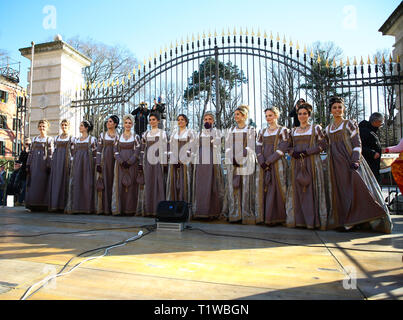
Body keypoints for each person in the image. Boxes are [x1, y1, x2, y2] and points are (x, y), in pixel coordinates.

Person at [324, 97, 392, 233]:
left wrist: (355, 160)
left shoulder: (350, 123)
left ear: (343, 109)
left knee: (355, 190)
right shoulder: (328, 128)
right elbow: (326, 145)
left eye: (339, 107)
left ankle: (357, 220)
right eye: (334, 107)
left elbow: (357, 143)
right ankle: (344, 220)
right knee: (340, 192)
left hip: (350, 162)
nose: (337, 110)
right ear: (331, 110)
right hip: (335, 164)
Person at [286, 103, 328, 230]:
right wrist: (293, 153)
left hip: (312, 163)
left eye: (305, 113)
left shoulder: (316, 129)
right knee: (297, 190)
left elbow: (323, 145)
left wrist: (307, 152)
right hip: (296, 163)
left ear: (309, 115)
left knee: (312, 190)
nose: (302, 116)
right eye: (300, 114)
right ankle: (299, 220)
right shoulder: (293, 131)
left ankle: (312, 221)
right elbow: (287, 146)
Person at [224, 105, 262, 225]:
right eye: (235, 115)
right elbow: (227, 146)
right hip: (233, 161)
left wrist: (239, 157)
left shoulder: (250, 129)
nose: (236, 117)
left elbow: (250, 146)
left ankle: (246, 213)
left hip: (246, 160)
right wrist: (231, 157)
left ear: (245, 116)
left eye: (238, 114)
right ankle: (235, 213)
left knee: (246, 186)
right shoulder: (231, 130)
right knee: (233, 185)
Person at [256, 107, 290, 226]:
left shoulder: (283, 130)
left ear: (276, 116)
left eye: (270, 115)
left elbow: (283, 148)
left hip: (277, 163)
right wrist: (261, 161)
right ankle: (265, 217)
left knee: (278, 188)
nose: (268, 118)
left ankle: (279, 217)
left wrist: (269, 161)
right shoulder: (262, 131)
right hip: (263, 164)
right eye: (266, 116)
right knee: (264, 188)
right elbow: (258, 147)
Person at [192, 111, 225, 220]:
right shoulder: (199, 133)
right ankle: (200, 211)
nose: (207, 121)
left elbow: (217, 144)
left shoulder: (216, 132)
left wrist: (209, 135)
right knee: (201, 185)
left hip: (212, 160)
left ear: (213, 121)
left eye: (210, 119)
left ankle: (212, 212)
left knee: (212, 185)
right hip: (201, 161)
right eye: (206, 119)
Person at [138, 112, 167, 216]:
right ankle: (148, 209)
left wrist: (164, 162)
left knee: (159, 182)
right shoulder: (146, 134)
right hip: (148, 160)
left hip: (158, 159)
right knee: (149, 182)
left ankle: (159, 209)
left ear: (158, 121)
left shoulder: (162, 133)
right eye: (150, 120)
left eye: (154, 119)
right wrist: (141, 163)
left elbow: (165, 148)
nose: (151, 122)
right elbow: (142, 149)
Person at [65, 120, 97, 214]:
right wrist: (72, 162)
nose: (80, 127)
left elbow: (95, 153)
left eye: (82, 126)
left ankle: (87, 207)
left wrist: (94, 165)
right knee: (77, 183)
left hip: (87, 164)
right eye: (80, 125)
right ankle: (76, 206)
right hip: (77, 164)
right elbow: (73, 152)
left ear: (87, 128)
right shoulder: (76, 140)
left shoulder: (92, 139)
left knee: (87, 184)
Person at [111, 114, 141, 215]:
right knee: (120, 185)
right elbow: (115, 151)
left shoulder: (136, 137)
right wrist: (121, 161)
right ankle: (120, 209)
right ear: (123, 124)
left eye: (130, 123)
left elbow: (137, 152)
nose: (128, 125)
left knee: (132, 186)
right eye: (126, 123)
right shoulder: (118, 137)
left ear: (132, 124)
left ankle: (130, 210)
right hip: (120, 165)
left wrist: (129, 162)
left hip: (132, 165)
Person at [166, 114, 195, 205]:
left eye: (182, 119)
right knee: (174, 182)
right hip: (174, 162)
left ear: (186, 121)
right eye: (178, 120)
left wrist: (183, 158)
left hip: (185, 161)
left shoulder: (190, 132)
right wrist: (174, 158)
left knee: (184, 182)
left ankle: (185, 204)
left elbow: (192, 147)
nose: (180, 121)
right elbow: (170, 147)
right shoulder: (174, 133)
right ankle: (173, 203)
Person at [25, 120, 53, 211]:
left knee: (43, 183)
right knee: (33, 183)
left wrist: (49, 165)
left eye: (44, 126)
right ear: (38, 127)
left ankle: (43, 205)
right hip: (34, 164)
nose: (42, 128)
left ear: (47, 128)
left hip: (43, 164)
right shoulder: (34, 139)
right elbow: (30, 153)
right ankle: (32, 204)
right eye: (40, 126)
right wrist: (28, 164)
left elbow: (50, 154)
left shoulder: (50, 139)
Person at [96, 115, 119, 215]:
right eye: (107, 121)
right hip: (104, 161)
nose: (107, 123)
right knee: (105, 182)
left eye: (110, 121)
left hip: (114, 162)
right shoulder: (102, 135)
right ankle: (104, 208)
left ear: (115, 124)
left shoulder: (118, 136)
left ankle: (113, 207)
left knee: (113, 182)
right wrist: (98, 163)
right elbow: (98, 150)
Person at [49, 119, 73, 212]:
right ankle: (55, 204)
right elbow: (54, 150)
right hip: (57, 161)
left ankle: (63, 205)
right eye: (62, 125)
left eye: (66, 125)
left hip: (66, 161)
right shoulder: (56, 138)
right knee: (56, 181)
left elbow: (73, 151)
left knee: (65, 181)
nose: (64, 127)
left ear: (69, 126)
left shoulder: (72, 138)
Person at [359, 112, 384, 182]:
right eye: (381, 122)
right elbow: (359, 146)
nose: (381, 124)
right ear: (375, 122)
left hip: (373, 164)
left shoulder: (371, 131)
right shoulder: (364, 131)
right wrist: (372, 153)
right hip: (368, 164)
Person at [17, 138, 31, 205]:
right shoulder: (23, 152)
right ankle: (21, 200)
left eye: (28, 143)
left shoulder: (32, 151)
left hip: (30, 170)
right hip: (23, 171)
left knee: (27, 186)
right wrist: (25, 151)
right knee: (23, 186)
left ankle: (22, 200)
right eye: (26, 143)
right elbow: (20, 160)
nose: (27, 144)